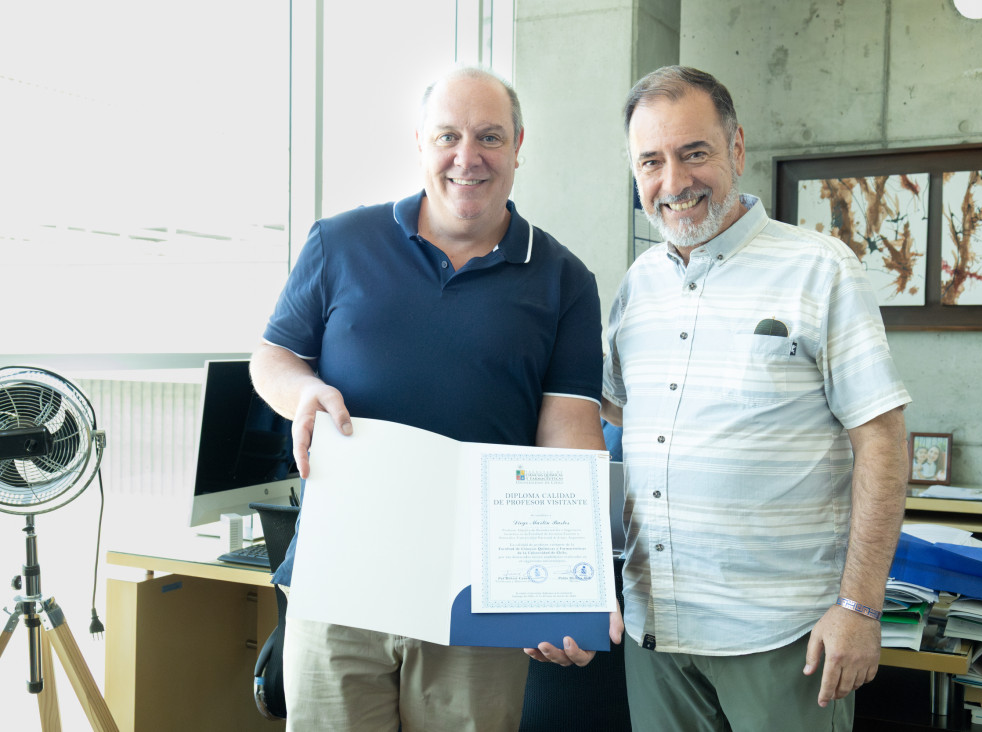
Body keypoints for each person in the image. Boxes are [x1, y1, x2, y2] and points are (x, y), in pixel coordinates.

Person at [250, 66, 620, 732]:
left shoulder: (565, 279)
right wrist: (302, 390)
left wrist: (569, 593)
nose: (467, 157)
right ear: (420, 140)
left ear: (518, 145)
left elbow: (570, 433)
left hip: (476, 600)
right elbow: (273, 357)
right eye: (448, 135)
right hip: (341, 582)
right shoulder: (339, 243)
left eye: (489, 137)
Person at [600, 66, 912, 732]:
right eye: (651, 162)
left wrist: (860, 607)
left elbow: (882, 438)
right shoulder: (637, 287)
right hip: (658, 637)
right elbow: (617, 423)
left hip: (787, 640)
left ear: (737, 149)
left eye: (694, 153)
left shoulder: (820, 269)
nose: (674, 183)